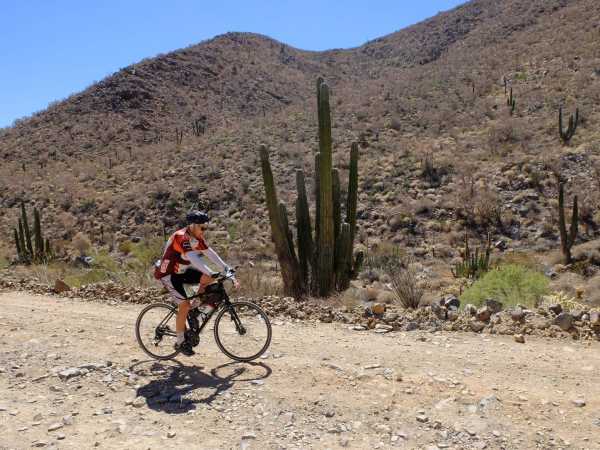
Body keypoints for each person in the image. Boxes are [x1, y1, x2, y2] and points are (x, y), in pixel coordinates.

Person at [154, 211, 239, 356]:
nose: (204, 230)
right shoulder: (181, 237)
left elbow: (210, 253)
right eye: (202, 227)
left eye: (205, 227)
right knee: (184, 305)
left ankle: (194, 310)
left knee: (209, 278)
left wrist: (227, 269)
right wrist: (210, 271)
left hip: (183, 272)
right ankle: (180, 342)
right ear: (192, 226)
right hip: (168, 274)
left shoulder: (197, 237)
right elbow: (193, 258)